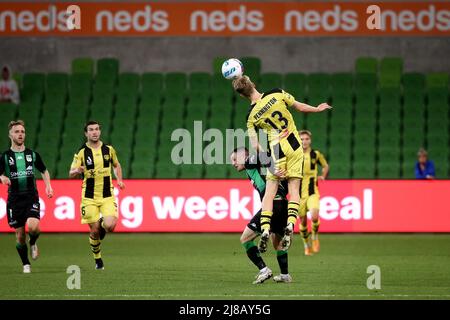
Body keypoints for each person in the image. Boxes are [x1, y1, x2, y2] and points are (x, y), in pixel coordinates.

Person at [232, 75, 331, 252]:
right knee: (294, 191)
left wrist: (270, 165)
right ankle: (291, 225)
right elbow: (299, 107)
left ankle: (264, 229)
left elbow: (255, 145)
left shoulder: (250, 116)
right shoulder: (276, 93)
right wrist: (317, 109)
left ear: (241, 95)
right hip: (294, 144)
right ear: (253, 83)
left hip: (276, 148)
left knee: (269, 193)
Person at [230, 147, 292, 284]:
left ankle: (264, 270)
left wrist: (274, 168)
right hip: (283, 204)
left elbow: (263, 155)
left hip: (272, 205)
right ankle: (285, 275)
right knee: (277, 242)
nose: (233, 163)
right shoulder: (258, 169)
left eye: (235, 159)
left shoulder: (248, 161)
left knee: (245, 239)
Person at [69, 121, 125, 270]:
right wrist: (77, 171)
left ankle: (101, 222)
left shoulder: (109, 150)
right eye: (91, 130)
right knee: (94, 232)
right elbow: (71, 172)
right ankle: (98, 260)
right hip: (89, 197)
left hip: (107, 195)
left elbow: (116, 165)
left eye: (97, 129)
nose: (94, 132)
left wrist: (119, 179)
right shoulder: (81, 152)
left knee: (110, 225)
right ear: (86, 134)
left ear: (100, 132)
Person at [0, 120, 53, 273]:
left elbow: (44, 170)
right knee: (20, 235)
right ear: (10, 135)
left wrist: (48, 186)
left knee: (34, 226)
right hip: (14, 199)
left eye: (22, 131)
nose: (20, 134)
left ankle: (34, 242)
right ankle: (26, 264)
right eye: (17, 132)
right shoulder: (5, 156)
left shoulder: (32, 154)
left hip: (31, 196)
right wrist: (2, 177)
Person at [297, 130, 329, 256]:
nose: (304, 141)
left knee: (315, 216)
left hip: (312, 192)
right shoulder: (294, 155)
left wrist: (323, 176)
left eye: (306, 139)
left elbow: (325, 166)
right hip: (298, 194)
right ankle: (306, 245)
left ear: (310, 140)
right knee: (303, 222)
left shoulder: (316, 154)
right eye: (302, 139)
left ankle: (315, 235)